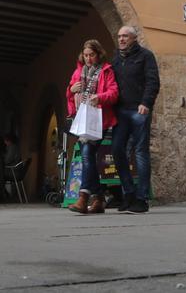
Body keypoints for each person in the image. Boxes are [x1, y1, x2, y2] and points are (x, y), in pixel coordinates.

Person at [109, 25, 159, 214]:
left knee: (140, 152)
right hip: (120, 112)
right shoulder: (115, 60)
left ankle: (142, 198)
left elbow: (153, 80)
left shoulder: (145, 56)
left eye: (125, 36)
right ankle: (128, 193)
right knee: (116, 149)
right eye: (119, 36)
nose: (121, 39)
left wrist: (146, 102)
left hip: (140, 109)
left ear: (134, 39)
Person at [66, 39, 119, 215]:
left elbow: (114, 93)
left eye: (92, 55)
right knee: (88, 157)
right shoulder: (78, 71)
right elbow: (69, 94)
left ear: (98, 54)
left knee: (88, 154)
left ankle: (83, 197)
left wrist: (100, 97)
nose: (88, 59)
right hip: (81, 119)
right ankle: (98, 199)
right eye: (86, 55)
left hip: (99, 121)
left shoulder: (106, 71)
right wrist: (71, 89)